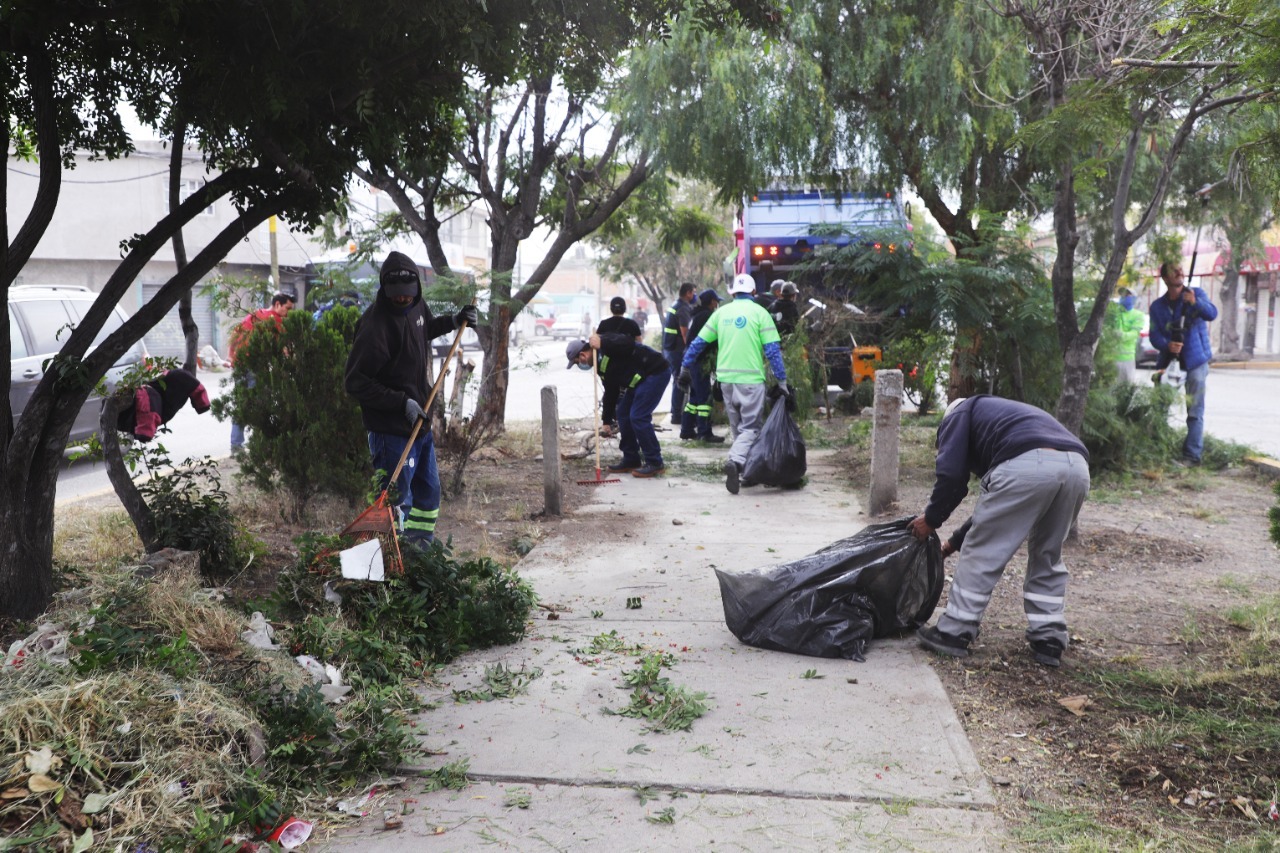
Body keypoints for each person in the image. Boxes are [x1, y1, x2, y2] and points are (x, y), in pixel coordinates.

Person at [909, 396, 1090, 668]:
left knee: (982, 553)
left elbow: (952, 476)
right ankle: (1049, 638)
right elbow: (994, 508)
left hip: (1029, 464)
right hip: (1077, 467)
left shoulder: (958, 414)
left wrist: (931, 520)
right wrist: (951, 544)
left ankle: (953, 631)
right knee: (1047, 553)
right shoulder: (1006, 418)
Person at [345, 251, 477, 549]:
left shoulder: (416, 306)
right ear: (385, 289)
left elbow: (425, 328)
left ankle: (421, 550)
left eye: (408, 295)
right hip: (390, 430)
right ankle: (393, 556)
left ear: (416, 289)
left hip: (420, 422)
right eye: (397, 297)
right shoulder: (374, 327)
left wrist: (456, 320)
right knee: (396, 500)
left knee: (428, 493)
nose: (403, 300)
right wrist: (400, 402)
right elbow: (355, 382)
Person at [678, 273, 789, 494]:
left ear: (732, 293)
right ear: (754, 292)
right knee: (751, 428)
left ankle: (745, 472)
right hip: (750, 380)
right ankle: (736, 460)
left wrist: (685, 366)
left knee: (738, 429)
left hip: (726, 380)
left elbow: (698, 343)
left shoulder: (721, 313)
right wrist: (782, 380)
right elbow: (773, 351)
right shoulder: (760, 313)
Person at [567, 332, 671, 478]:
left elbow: (627, 342)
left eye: (578, 361)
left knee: (638, 416)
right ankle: (631, 459)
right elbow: (611, 391)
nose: (581, 364)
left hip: (654, 372)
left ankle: (655, 462)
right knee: (622, 413)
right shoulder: (599, 365)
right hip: (639, 380)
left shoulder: (605, 345)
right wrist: (606, 421)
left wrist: (602, 342)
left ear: (583, 355)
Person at [1149, 262, 1218, 465]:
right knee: (1160, 407)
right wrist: (1167, 345)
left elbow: (1212, 314)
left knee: (1195, 411)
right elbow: (1154, 336)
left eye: (1180, 269)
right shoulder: (1157, 307)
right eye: (1174, 271)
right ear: (1165, 278)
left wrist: (1195, 302)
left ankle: (1191, 456)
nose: (1179, 272)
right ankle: (1157, 451)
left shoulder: (1196, 294)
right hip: (1169, 362)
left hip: (1196, 362)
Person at [229, 291, 294, 455]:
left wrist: (232, 358)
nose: (288, 313)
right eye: (287, 308)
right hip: (255, 366)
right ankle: (262, 444)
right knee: (260, 404)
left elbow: (236, 335)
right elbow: (283, 350)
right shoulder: (275, 320)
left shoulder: (255, 314)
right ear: (277, 304)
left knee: (242, 404)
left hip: (239, 363)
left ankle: (236, 446)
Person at [678, 289, 726, 443]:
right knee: (704, 399)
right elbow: (710, 339)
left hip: (692, 360)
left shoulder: (696, 315)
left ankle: (686, 430)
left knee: (694, 397)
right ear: (712, 302)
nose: (717, 304)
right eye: (716, 301)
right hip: (700, 361)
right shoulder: (707, 316)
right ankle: (704, 432)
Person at [596, 296, 643, 436]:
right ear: (625, 309)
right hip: (627, 365)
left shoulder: (603, 324)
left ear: (611, 309)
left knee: (610, 393)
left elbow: (596, 344)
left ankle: (606, 425)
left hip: (608, 365)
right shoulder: (632, 324)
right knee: (627, 393)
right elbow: (640, 345)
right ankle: (625, 422)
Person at [661, 283, 697, 427]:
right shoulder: (682, 308)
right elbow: (685, 334)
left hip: (670, 349)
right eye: (693, 292)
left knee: (677, 381)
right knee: (680, 381)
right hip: (676, 350)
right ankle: (676, 415)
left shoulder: (676, 305)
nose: (695, 295)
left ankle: (675, 412)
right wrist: (692, 351)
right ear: (688, 293)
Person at [1100, 289, 1144, 383]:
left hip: (1126, 359)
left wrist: (1121, 335)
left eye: (1127, 295)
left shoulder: (1138, 315)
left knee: (1125, 388)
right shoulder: (1113, 313)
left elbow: (1134, 334)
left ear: (1133, 298)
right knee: (1108, 388)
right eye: (1122, 295)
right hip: (1109, 359)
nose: (1124, 297)